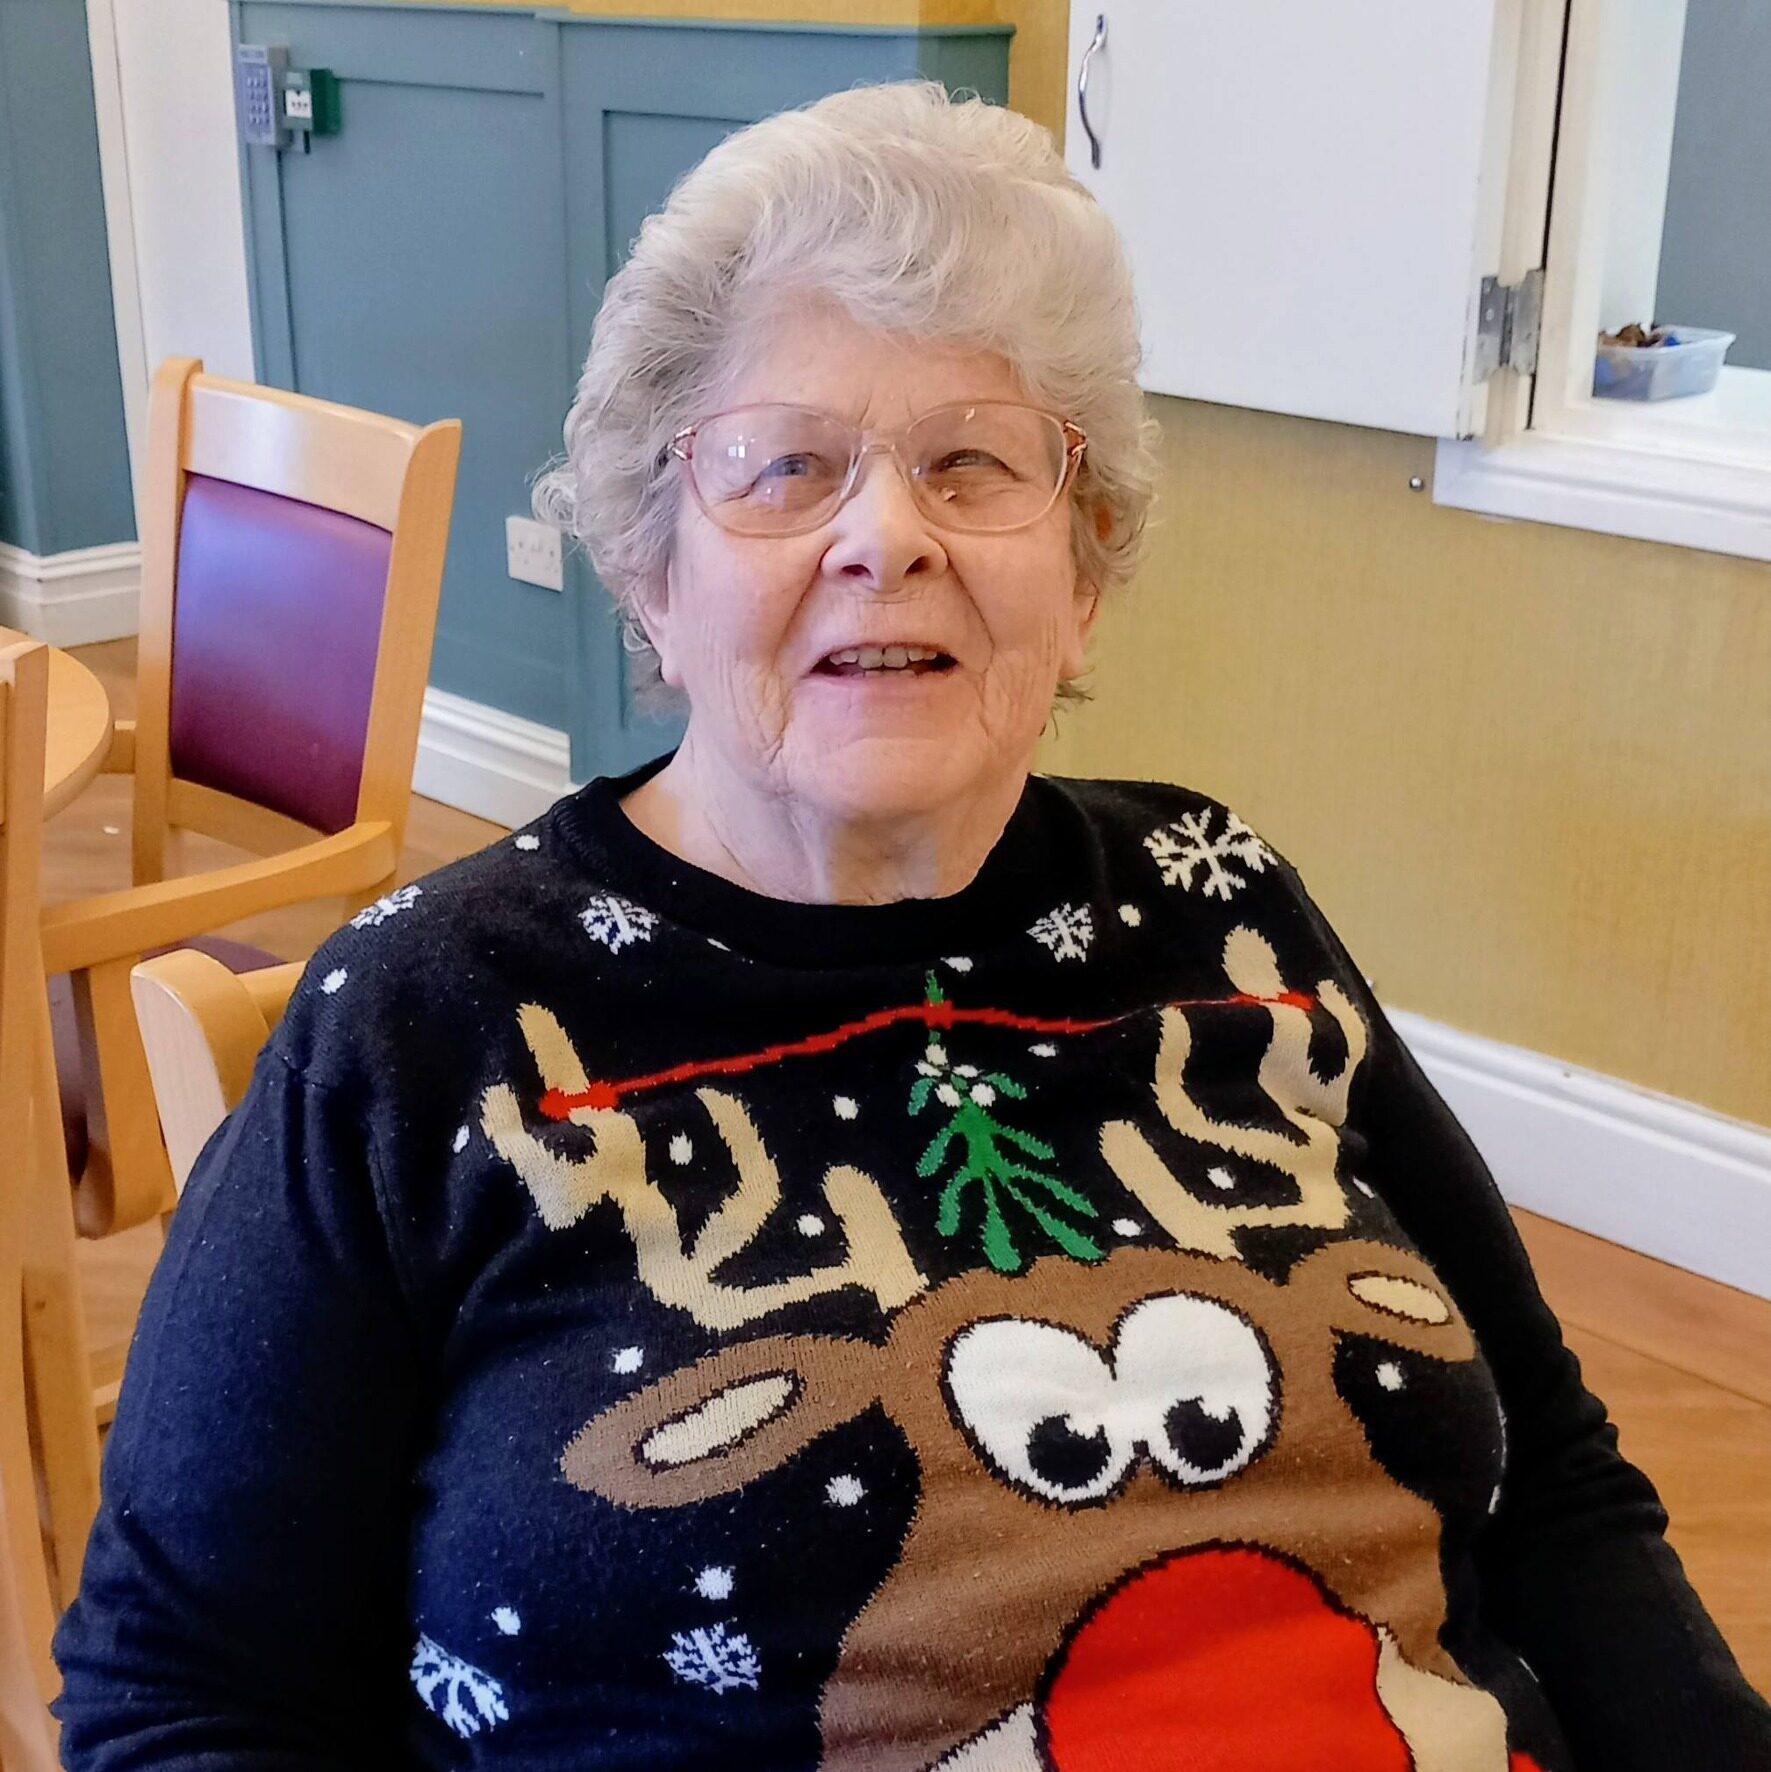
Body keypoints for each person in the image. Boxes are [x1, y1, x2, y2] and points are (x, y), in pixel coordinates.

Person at [55, 80, 1770, 1770]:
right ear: (652, 569)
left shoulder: (1219, 895)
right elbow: (186, 1696)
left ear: (1084, 568)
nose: (888, 536)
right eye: (788, 469)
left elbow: (1552, 1480)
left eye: (973, 464)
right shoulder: (432, 1018)